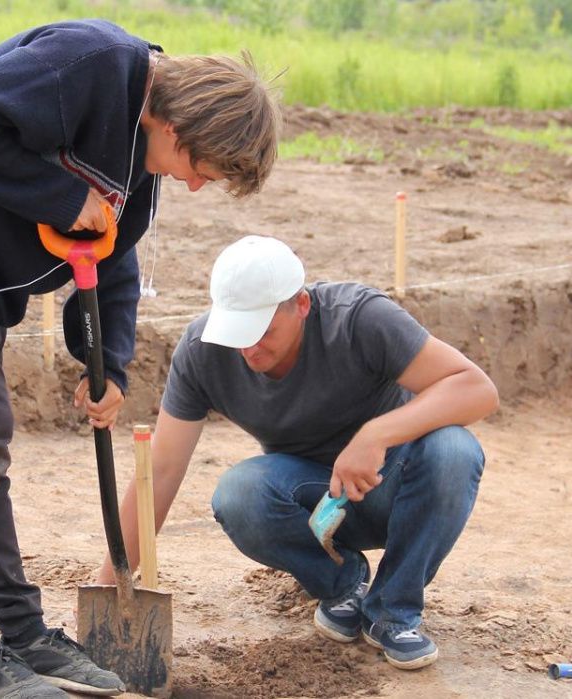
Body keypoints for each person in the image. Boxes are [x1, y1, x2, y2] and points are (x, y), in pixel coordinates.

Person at [0, 19, 280, 699]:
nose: (197, 186)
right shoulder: (93, 64)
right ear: (180, 128)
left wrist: (103, 362)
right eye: (204, 170)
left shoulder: (143, 155)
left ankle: (21, 635)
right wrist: (59, 196)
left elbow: (113, 250)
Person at [96, 235, 499, 671]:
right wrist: (108, 586)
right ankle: (344, 585)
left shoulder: (358, 318)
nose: (249, 349)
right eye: (238, 332)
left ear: (302, 305)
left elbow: (477, 389)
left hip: (392, 487)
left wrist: (375, 436)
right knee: (239, 493)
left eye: (263, 331)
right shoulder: (203, 352)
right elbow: (161, 469)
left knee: (455, 450)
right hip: (311, 504)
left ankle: (393, 610)